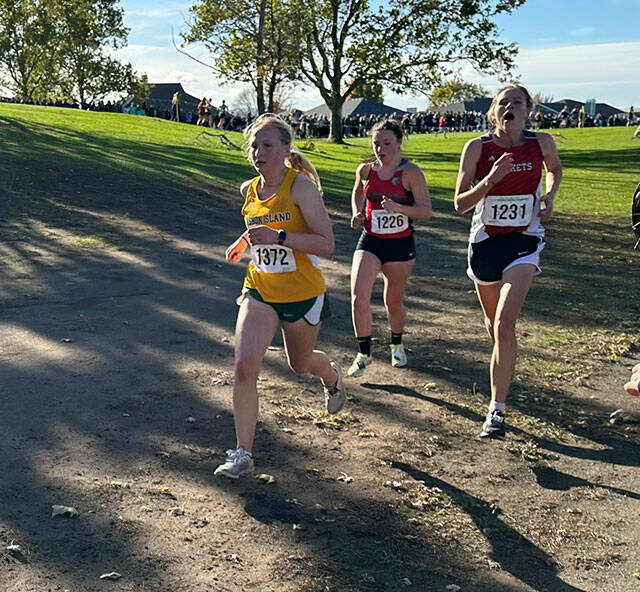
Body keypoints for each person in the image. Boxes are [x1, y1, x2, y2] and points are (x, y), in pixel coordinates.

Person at [215, 113, 346, 479]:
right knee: (244, 365)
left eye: (267, 145)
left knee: (299, 364)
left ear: (286, 150)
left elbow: (326, 244)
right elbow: (261, 223)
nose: (258, 152)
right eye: (254, 146)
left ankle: (331, 376)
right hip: (260, 287)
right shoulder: (249, 189)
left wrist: (280, 238)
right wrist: (244, 241)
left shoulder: (300, 187)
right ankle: (243, 454)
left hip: (302, 292)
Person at [453, 84, 563, 439]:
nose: (509, 108)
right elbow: (460, 203)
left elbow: (554, 169)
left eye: (517, 102)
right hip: (485, 244)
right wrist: (491, 178)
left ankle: (496, 411)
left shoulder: (541, 143)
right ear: (493, 113)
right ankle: (506, 363)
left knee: (504, 323)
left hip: (524, 242)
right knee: (493, 325)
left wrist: (549, 195)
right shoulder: (477, 147)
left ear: (529, 110)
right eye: (503, 103)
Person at [347, 119, 432, 377]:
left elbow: (425, 211)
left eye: (386, 143)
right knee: (358, 296)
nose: (380, 149)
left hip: (400, 244)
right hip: (371, 240)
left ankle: (397, 344)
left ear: (399, 143)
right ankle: (364, 354)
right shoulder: (365, 170)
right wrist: (357, 212)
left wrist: (399, 208)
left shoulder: (410, 172)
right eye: (376, 143)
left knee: (392, 301)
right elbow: (358, 193)